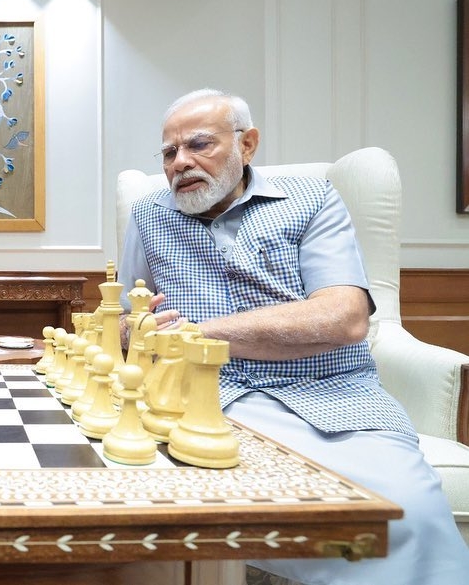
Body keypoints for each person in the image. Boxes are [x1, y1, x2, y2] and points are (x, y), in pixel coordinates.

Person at [117, 89, 469, 584]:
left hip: (334, 396)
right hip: (203, 400)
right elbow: (126, 319)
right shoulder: (149, 215)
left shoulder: (313, 199)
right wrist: (133, 330)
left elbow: (345, 318)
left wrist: (200, 331)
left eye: (199, 145)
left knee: (401, 513)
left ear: (248, 144)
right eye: (170, 152)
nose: (181, 162)